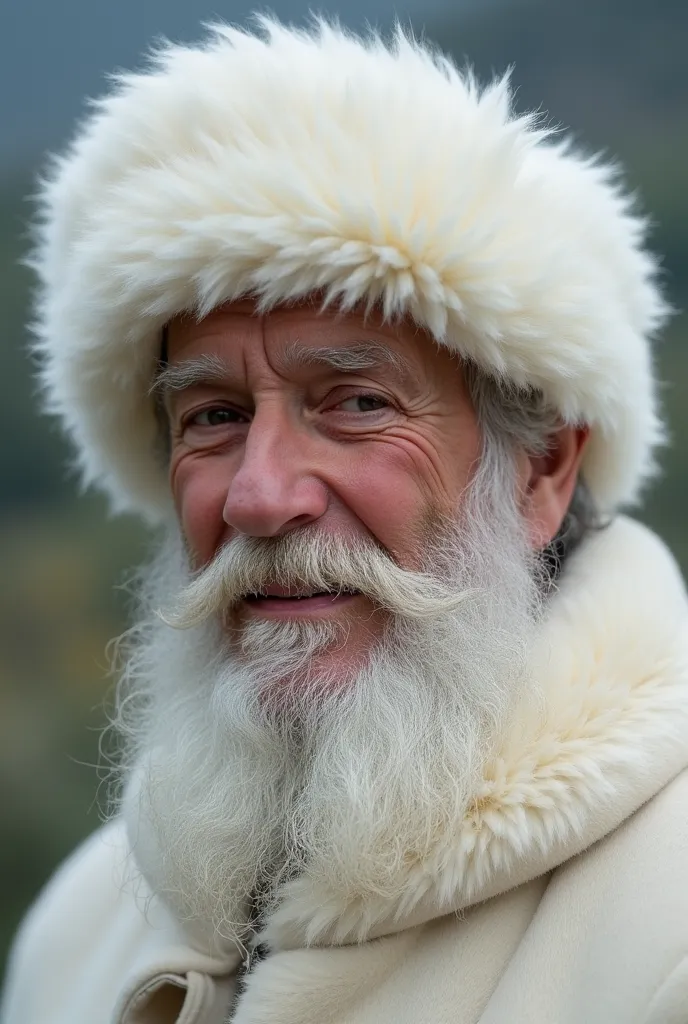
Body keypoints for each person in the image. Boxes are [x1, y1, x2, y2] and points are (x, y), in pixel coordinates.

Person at [3, 18, 688, 1024]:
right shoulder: (78, 928)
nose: (260, 495)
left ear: (541, 468)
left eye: (357, 403)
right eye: (215, 418)